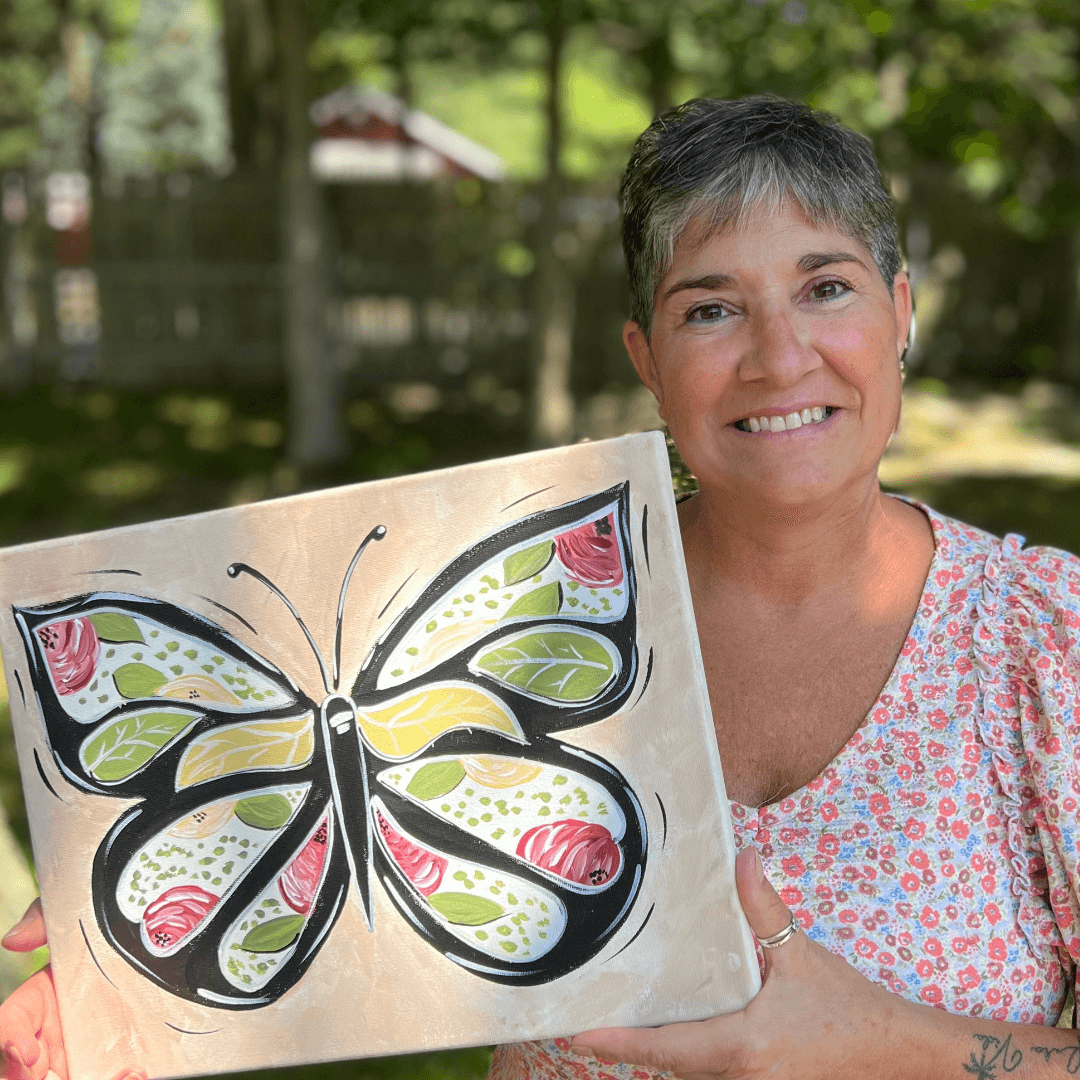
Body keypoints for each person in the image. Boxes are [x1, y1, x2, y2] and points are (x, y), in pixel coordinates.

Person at [5, 95, 1080, 1080]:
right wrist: (130, 945)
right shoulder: (541, 609)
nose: (778, 354)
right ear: (647, 358)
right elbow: (330, 864)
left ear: (901, 314)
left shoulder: (1044, 639)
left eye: (825, 287)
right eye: (710, 309)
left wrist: (882, 1043)